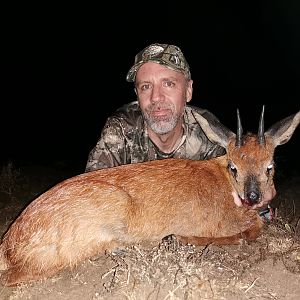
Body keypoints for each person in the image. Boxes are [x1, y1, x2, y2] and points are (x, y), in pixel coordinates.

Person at [85, 43, 276, 215]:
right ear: (137, 94)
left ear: (188, 90)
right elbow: (91, 190)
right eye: (145, 87)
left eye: (168, 84)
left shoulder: (208, 132)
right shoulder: (120, 129)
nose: (156, 97)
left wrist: (258, 194)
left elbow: (235, 187)